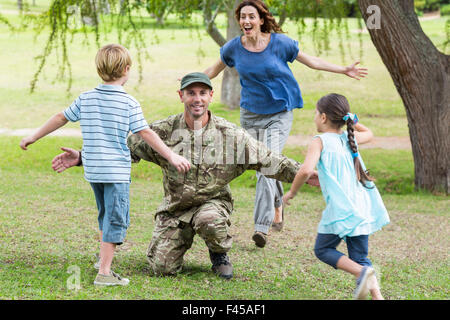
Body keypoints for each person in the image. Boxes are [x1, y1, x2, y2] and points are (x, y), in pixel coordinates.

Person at [51, 72, 318, 280]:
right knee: (161, 269)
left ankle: (219, 254)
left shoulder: (231, 136)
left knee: (210, 220)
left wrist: (306, 175)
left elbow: (269, 160)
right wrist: (82, 157)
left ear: (211, 96)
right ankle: (178, 243)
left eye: (203, 93)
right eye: (191, 93)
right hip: (175, 210)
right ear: (181, 96)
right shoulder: (163, 132)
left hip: (212, 204)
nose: (197, 99)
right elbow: (125, 148)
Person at [20, 44, 191, 287]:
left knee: (105, 216)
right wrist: (172, 156)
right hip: (116, 172)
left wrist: (34, 136)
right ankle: (105, 273)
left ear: (99, 69)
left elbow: (60, 117)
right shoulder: (128, 102)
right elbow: (145, 133)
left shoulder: (86, 98)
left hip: (93, 171)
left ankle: (103, 260)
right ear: (127, 69)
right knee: (115, 220)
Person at [204, 0, 368, 248]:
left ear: (261, 19)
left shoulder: (280, 43)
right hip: (250, 115)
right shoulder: (233, 48)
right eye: (242, 17)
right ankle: (278, 203)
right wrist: (190, 83)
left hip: (279, 113)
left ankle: (261, 226)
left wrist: (343, 69)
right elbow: (213, 71)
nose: (246, 21)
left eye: (251, 16)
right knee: (267, 164)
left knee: (266, 165)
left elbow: (312, 61)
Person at [282, 93, 390, 300]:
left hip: (342, 208)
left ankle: (361, 272)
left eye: (315, 113)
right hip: (361, 205)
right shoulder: (349, 138)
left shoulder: (319, 141)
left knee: (323, 249)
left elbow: (305, 171)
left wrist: (292, 192)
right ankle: (378, 297)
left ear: (323, 117)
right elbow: (369, 133)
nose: (314, 117)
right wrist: (354, 121)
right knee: (360, 257)